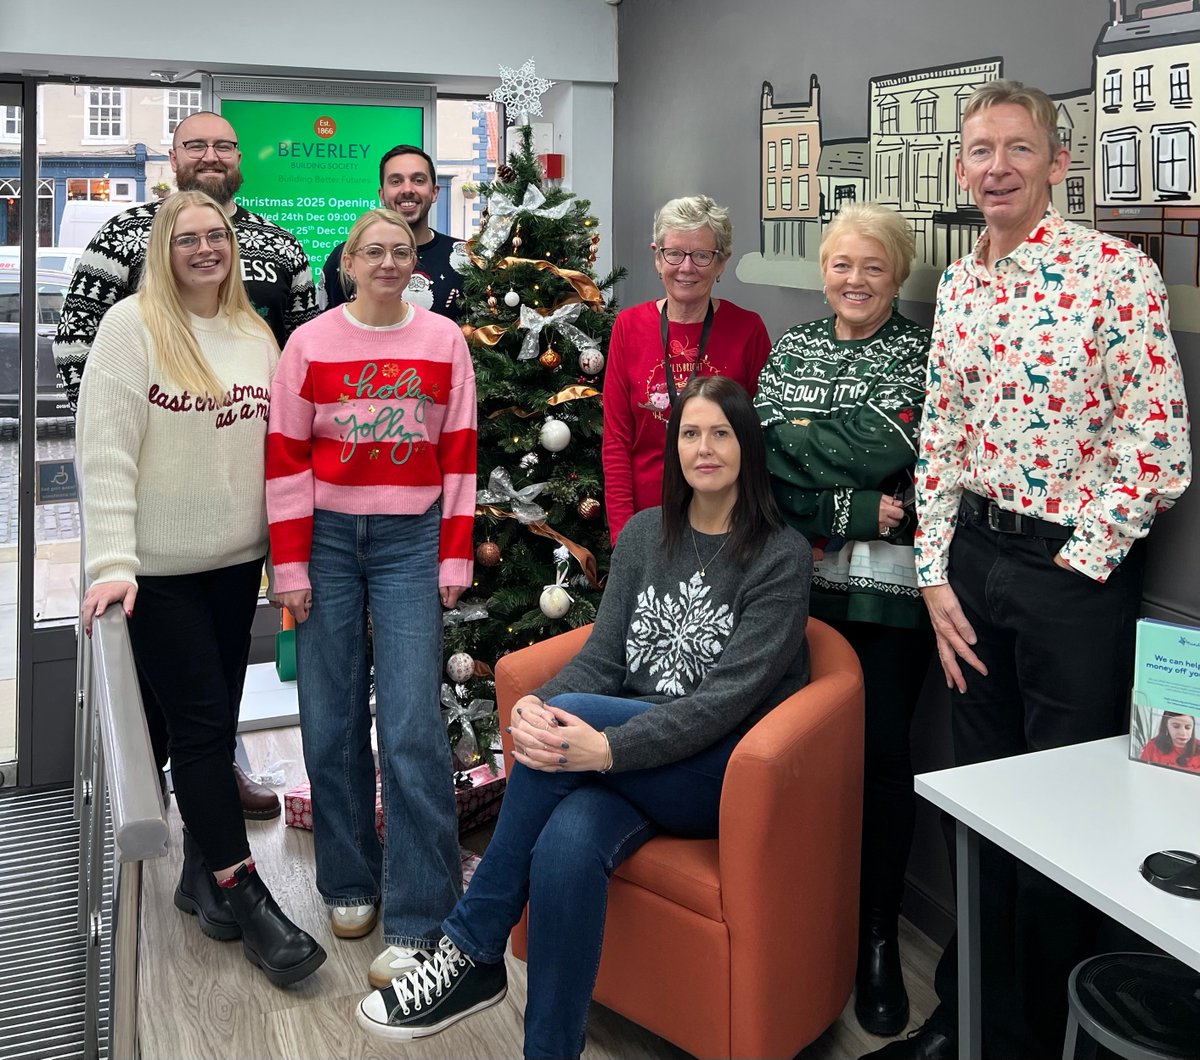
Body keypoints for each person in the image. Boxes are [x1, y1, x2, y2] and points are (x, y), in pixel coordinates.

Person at [866, 80, 1192, 1060]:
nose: (997, 167)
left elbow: (1157, 449)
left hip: (1071, 580)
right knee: (984, 807)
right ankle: (968, 1022)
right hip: (972, 560)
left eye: (1018, 147)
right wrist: (934, 575)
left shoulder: (1115, 273)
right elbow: (941, 439)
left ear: (1057, 162)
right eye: (981, 150)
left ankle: (1040, 1038)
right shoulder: (959, 286)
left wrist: (1075, 569)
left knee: (1065, 826)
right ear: (962, 167)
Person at [354, 374, 813, 1059]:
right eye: (690, 433)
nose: (704, 448)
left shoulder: (779, 556)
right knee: (566, 844)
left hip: (714, 772)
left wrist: (607, 750)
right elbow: (602, 659)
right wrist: (538, 704)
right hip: (629, 758)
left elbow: (722, 703)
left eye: (721, 433)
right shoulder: (644, 535)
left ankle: (471, 945)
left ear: (746, 445)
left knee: (568, 724)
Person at [77, 190, 325, 986]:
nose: (206, 249)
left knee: (207, 729)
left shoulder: (255, 332)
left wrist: (284, 555)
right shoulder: (132, 327)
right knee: (204, 727)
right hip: (159, 575)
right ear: (164, 248)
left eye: (216, 235)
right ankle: (244, 891)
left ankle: (198, 878)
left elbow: (279, 451)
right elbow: (105, 452)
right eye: (188, 239)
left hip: (236, 566)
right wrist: (111, 564)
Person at [54, 108, 320, 820]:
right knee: (162, 698)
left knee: (212, 693)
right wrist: (137, 433)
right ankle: (157, 813)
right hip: (155, 528)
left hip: (235, 530)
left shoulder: (278, 248)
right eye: (194, 144)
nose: (210, 155)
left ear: (240, 158)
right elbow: (79, 348)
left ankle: (207, 803)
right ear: (172, 158)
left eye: (223, 145)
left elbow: (300, 363)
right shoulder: (123, 236)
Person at [266, 208, 477, 992]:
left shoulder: (443, 341)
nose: (388, 262)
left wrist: (454, 553)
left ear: (414, 264)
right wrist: (289, 567)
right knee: (330, 716)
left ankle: (421, 910)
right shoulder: (309, 343)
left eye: (400, 251)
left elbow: (460, 454)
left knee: (414, 725)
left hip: (410, 542)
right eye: (372, 251)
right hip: (324, 540)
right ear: (348, 262)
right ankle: (348, 879)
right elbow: (285, 458)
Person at [755, 201, 932, 1038]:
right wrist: (856, 508)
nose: (855, 280)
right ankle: (805, 925)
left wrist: (809, 444)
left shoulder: (917, 353)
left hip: (889, 599)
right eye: (841, 264)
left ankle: (876, 939)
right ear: (822, 270)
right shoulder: (791, 347)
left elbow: (885, 445)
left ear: (897, 275)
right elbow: (761, 459)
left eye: (873, 267)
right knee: (800, 761)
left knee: (881, 762)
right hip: (797, 588)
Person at [601, 194, 771, 543]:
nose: (686, 267)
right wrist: (624, 533)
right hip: (647, 522)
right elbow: (616, 440)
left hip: (727, 525)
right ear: (657, 258)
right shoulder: (628, 327)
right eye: (674, 253)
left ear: (721, 262)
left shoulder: (748, 329)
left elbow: (763, 437)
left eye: (702, 255)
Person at [320, 144, 467, 320]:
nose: (407, 190)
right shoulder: (347, 258)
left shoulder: (465, 258)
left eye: (418, 180)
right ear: (381, 194)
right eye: (396, 181)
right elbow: (324, 327)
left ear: (434, 192)